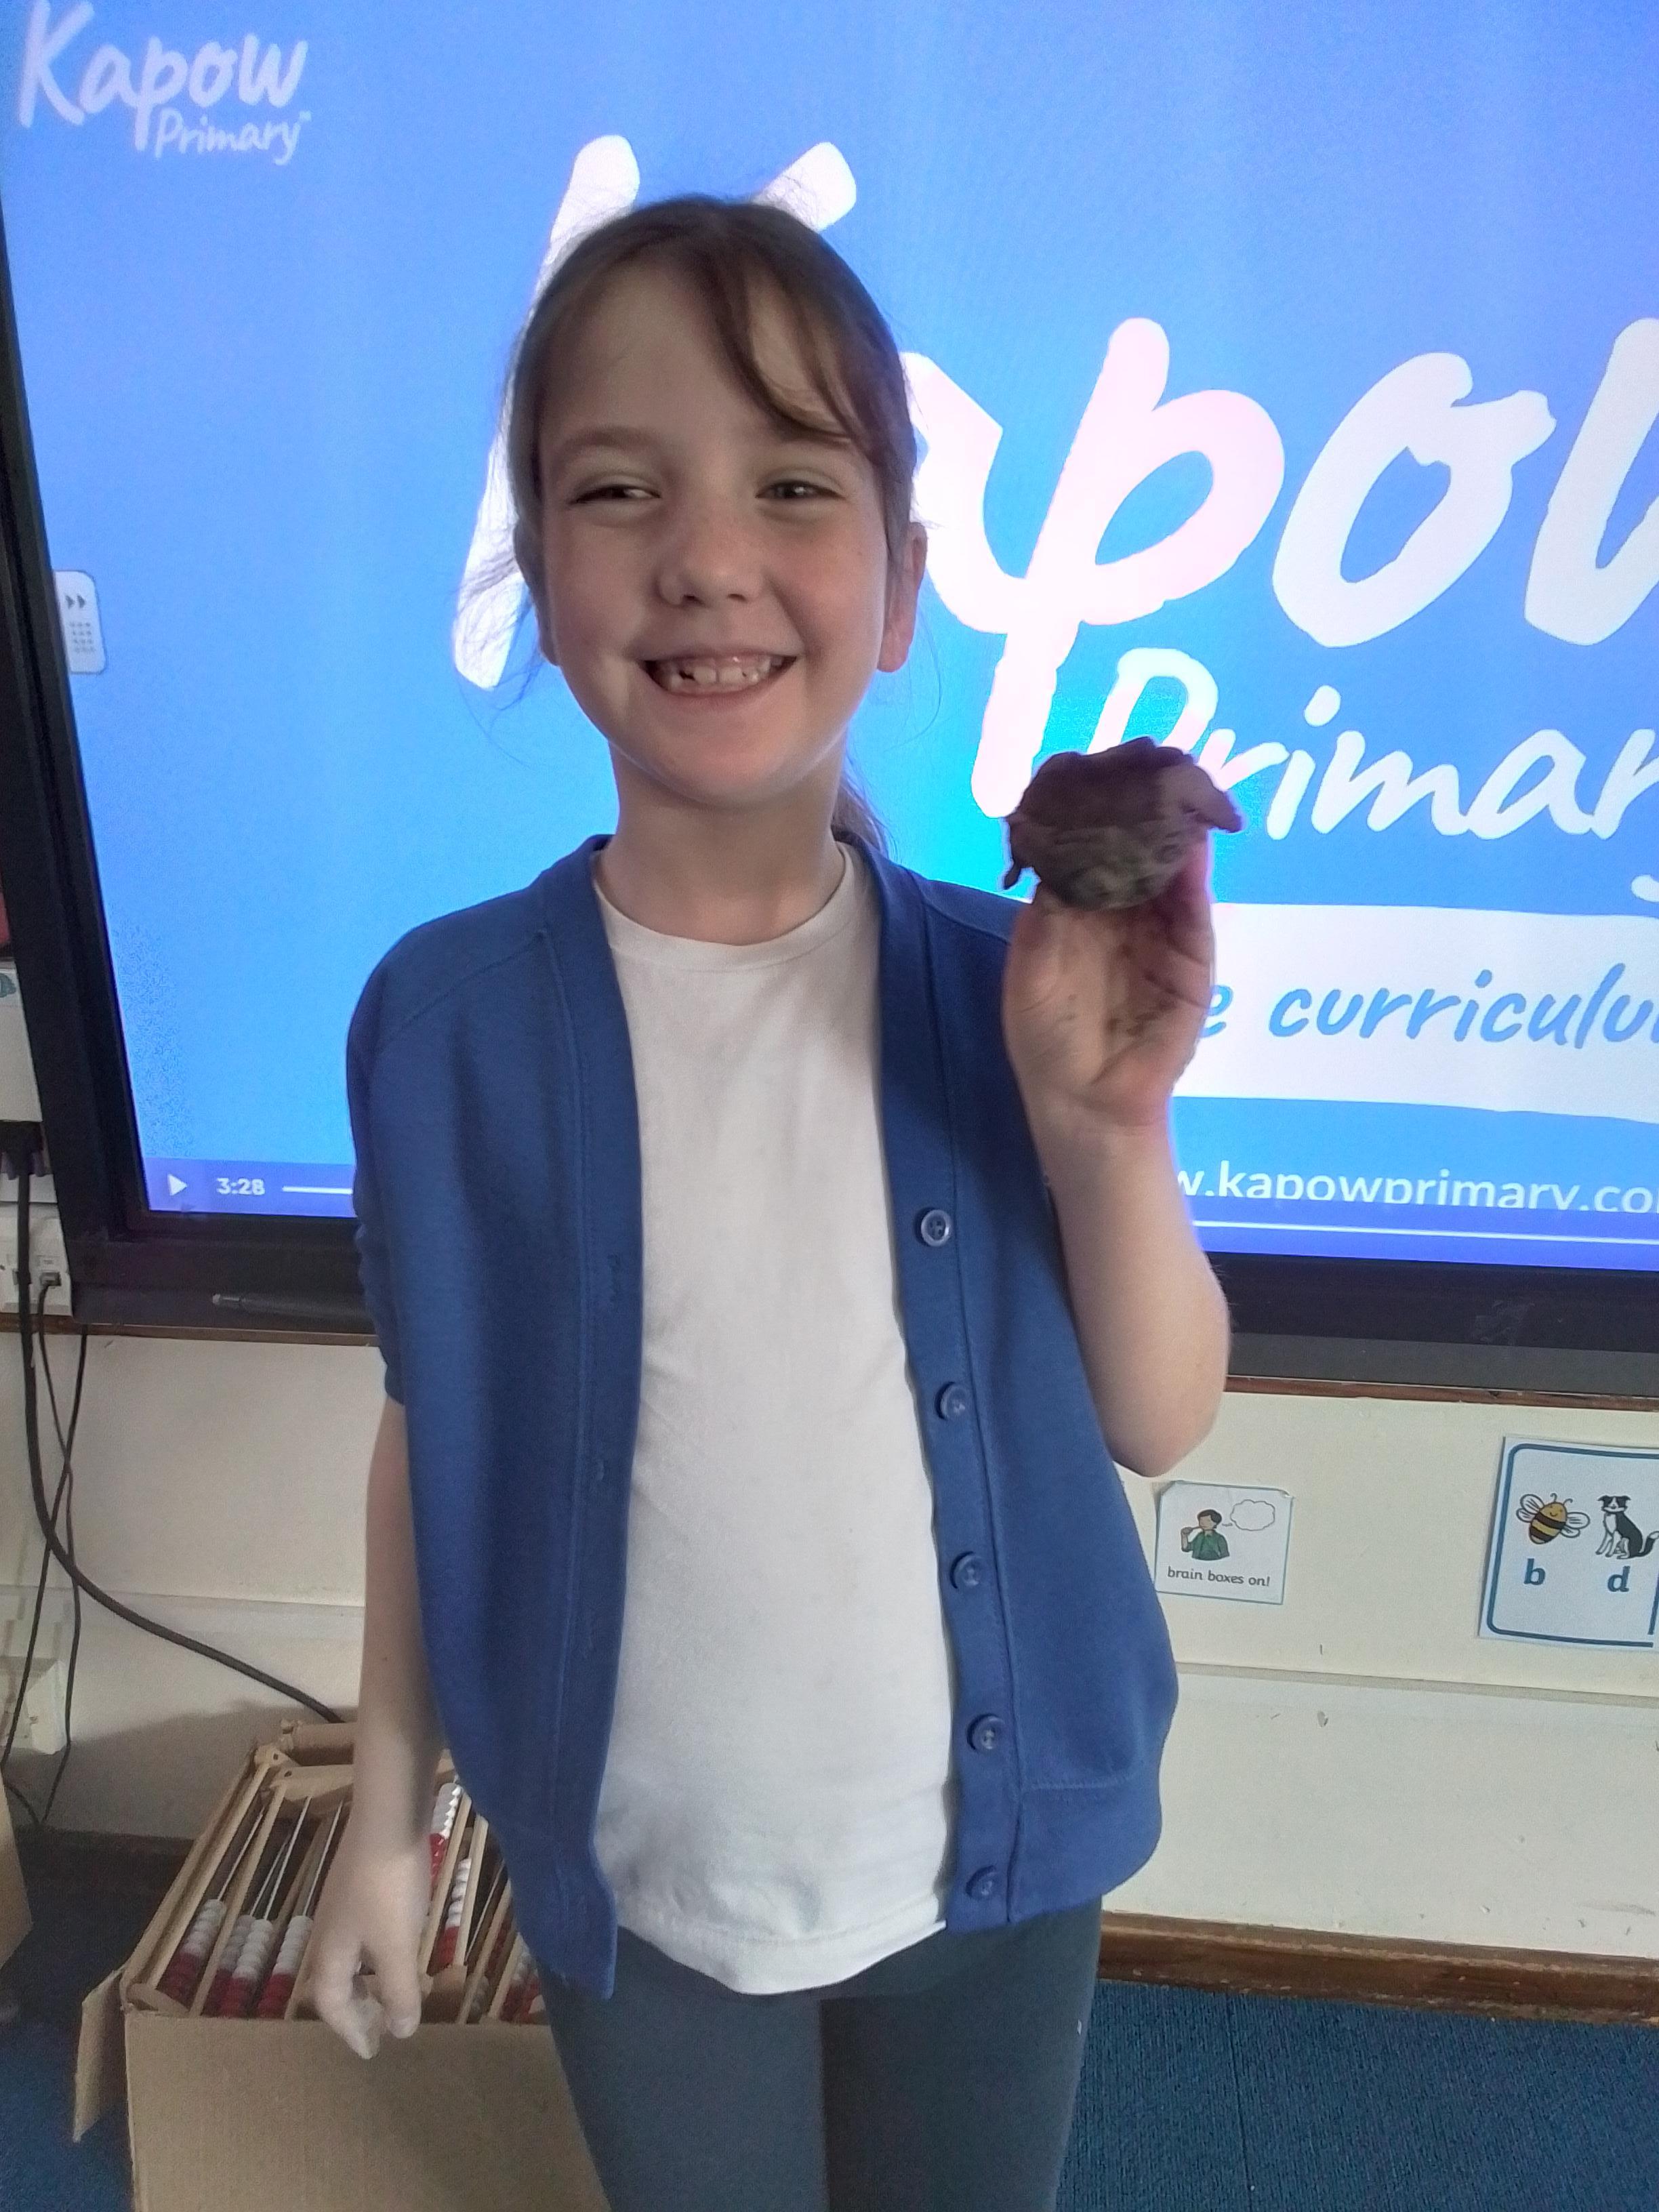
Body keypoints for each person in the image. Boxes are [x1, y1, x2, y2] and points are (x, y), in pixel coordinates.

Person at [309, 191, 1231, 2212]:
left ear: (900, 587)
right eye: (618, 488)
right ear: (537, 575)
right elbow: (429, 1439)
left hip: (993, 1886)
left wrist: (1106, 1131)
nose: (709, 555)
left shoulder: (1013, 989)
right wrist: (388, 1813)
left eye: (792, 484)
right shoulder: (443, 1027)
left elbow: (1161, 1416)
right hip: (641, 1897)